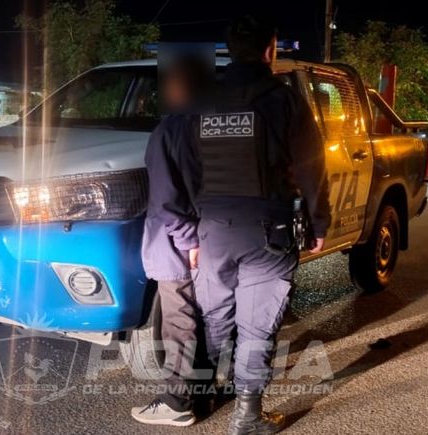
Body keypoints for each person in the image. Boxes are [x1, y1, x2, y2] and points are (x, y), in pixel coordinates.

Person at [193, 17, 331, 434]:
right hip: (266, 229)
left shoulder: (201, 99)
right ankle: (247, 417)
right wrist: (319, 221)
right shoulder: (284, 99)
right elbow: (312, 166)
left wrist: (186, 232)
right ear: (270, 51)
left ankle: (216, 387)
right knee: (257, 324)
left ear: (229, 51)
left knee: (216, 314)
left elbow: (181, 165)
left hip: (211, 229)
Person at [130, 55, 211, 427]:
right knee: (202, 317)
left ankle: (177, 404)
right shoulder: (215, 126)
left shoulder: (170, 130)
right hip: (212, 237)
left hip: (178, 244)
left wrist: (188, 240)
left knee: (178, 321)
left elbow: (166, 200)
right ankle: (203, 390)